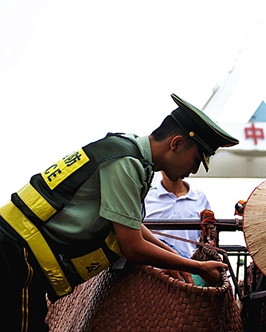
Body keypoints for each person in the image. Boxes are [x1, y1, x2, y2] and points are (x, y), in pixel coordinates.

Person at [0, 93, 239, 331]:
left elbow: (129, 222)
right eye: (196, 159)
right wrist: (196, 267)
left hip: (17, 251)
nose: (194, 170)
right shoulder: (126, 163)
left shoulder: (128, 151)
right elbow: (131, 245)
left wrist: (178, 258)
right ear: (176, 144)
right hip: (16, 253)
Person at [144, 171, 211, 258]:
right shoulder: (147, 197)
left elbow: (207, 233)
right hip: (155, 263)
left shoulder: (200, 198)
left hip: (190, 263)